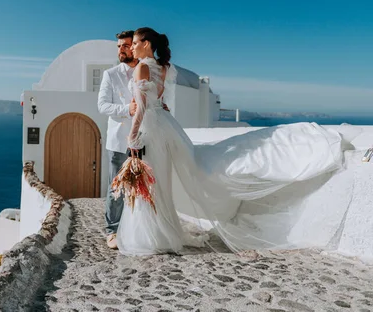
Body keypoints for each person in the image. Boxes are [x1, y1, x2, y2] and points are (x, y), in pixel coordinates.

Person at [116, 27, 356, 256]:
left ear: (146, 44)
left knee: (147, 183)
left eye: (135, 43)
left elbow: (143, 107)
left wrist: (132, 135)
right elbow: (159, 102)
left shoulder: (142, 69)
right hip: (165, 127)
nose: (133, 47)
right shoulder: (164, 68)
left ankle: (148, 237)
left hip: (150, 128)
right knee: (159, 181)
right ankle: (162, 235)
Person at [97, 30, 138, 249]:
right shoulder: (111, 74)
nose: (120, 49)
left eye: (125, 45)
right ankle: (112, 230)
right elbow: (102, 106)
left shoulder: (146, 71)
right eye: (119, 46)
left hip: (144, 140)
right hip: (119, 141)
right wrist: (127, 109)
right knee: (117, 188)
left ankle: (135, 227)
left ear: (136, 46)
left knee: (141, 187)